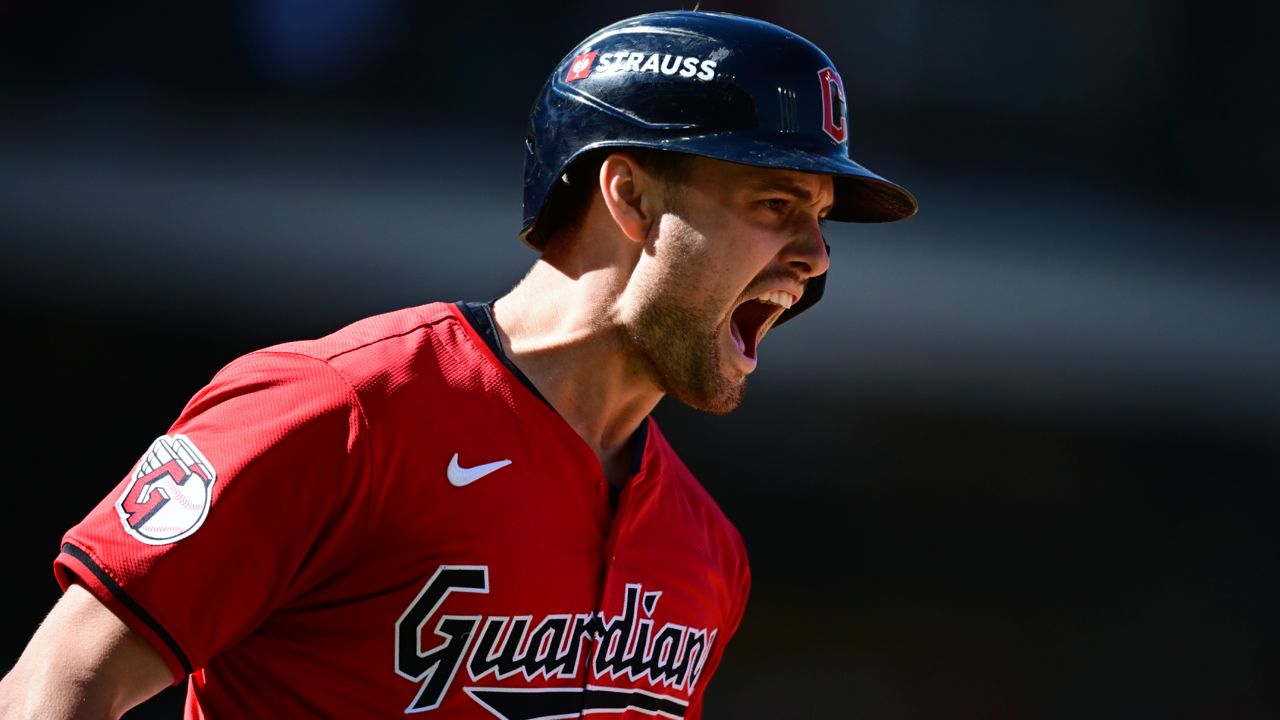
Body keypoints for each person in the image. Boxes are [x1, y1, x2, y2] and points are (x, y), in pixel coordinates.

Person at [0, 9, 916, 719]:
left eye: (820, 217)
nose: (816, 255)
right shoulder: (346, 411)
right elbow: (57, 683)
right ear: (630, 198)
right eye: (774, 202)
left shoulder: (709, 552)